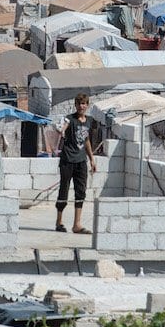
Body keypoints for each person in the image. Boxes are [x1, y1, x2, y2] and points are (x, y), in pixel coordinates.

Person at [55, 93, 96, 234]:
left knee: (80, 191)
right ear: (75, 105)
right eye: (79, 104)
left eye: (84, 103)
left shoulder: (89, 121)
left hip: (81, 161)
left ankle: (76, 225)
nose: (81, 106)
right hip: (67, 160)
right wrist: (60, 129)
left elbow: (86, 140)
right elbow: (63, 127)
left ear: (87, 105)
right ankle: (59, 222)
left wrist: (92, 159)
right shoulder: (70, 119)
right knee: (64, 190)